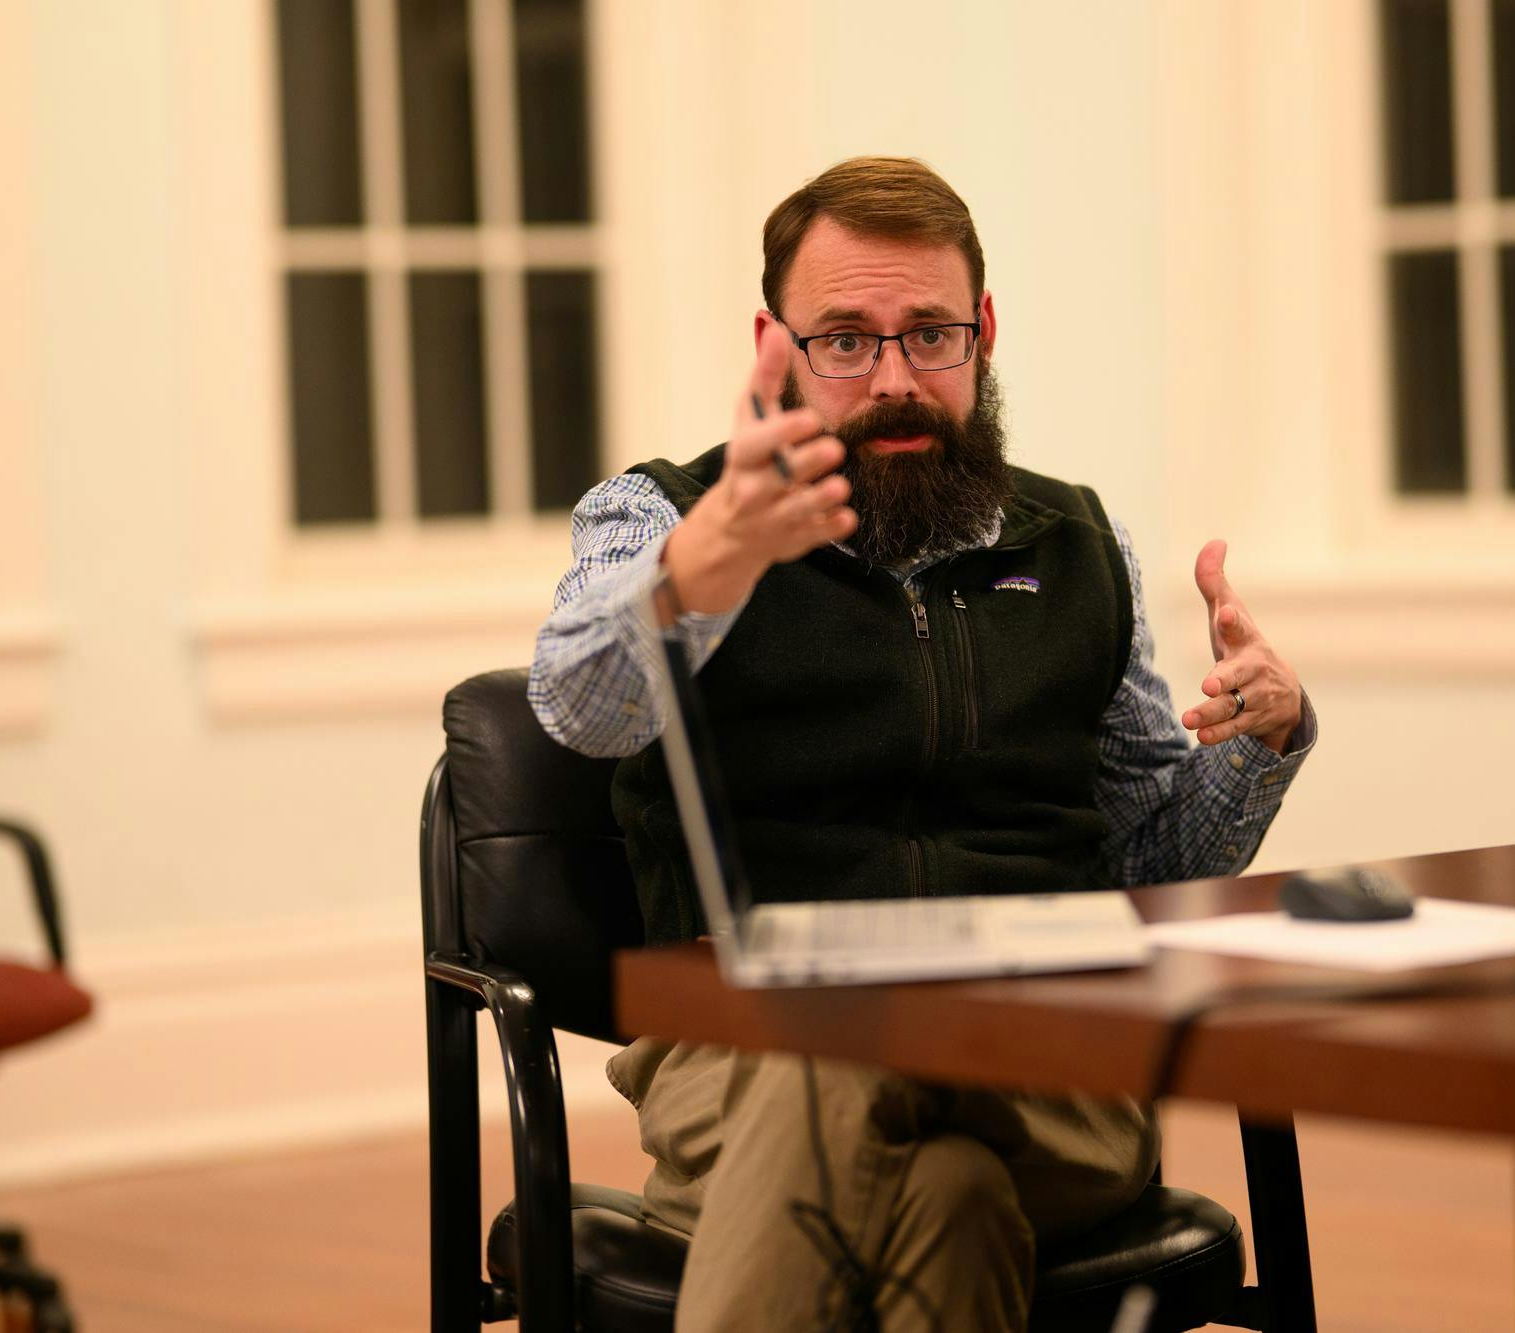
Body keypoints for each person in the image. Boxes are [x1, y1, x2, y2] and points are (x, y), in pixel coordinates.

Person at [530, 157, 1314, 1333]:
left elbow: (1148, 867)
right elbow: (581, 710)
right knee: (944, 1192)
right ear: (774, 346)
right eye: (845, 340)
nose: (894, 379)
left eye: (929, 335)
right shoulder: (662, 516)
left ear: (982, 332)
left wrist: (1261, 739)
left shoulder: (1077, 544)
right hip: (738, 1058)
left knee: (863, 1056)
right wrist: (696, 573)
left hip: (1051, 1067)